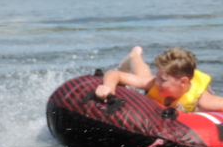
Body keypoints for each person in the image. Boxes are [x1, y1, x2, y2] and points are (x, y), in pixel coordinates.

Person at [95, 46, 223, 112]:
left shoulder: (204, 101)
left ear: (183, 82)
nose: (157, 82)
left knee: (145, 78)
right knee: (144, 78)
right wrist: (108, 87)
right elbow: (114, 74)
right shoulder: (154, 83)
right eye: (158, 77)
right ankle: (135, 56)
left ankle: (135, 55)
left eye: (163, 80)